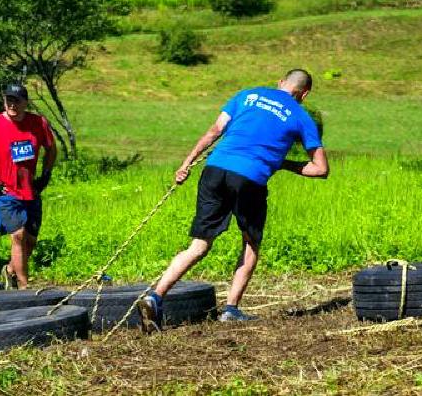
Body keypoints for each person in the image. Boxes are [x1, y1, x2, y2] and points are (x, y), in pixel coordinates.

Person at [138, 69, 329, 332]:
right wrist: (282, 163)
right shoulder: (301, 116)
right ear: (304, 94)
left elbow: (215, 130)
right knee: (250, 242)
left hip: (214, 170)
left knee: (199, 245)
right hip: (250, 178)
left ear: (280, 83)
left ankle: (155, 296)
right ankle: (231, 309)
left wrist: (187, 163)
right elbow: (320, 169)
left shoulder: (247, 95)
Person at [0, 84, 56, 290]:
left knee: (30, 241)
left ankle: (11, 271)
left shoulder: (38, 123)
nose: (12, 104)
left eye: (16, 100)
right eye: (8, 100)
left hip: (30, 190)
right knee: (18, 235)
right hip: (5, 191)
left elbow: (51, 149)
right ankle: (24, 287)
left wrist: (46, 174)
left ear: (26, 102)